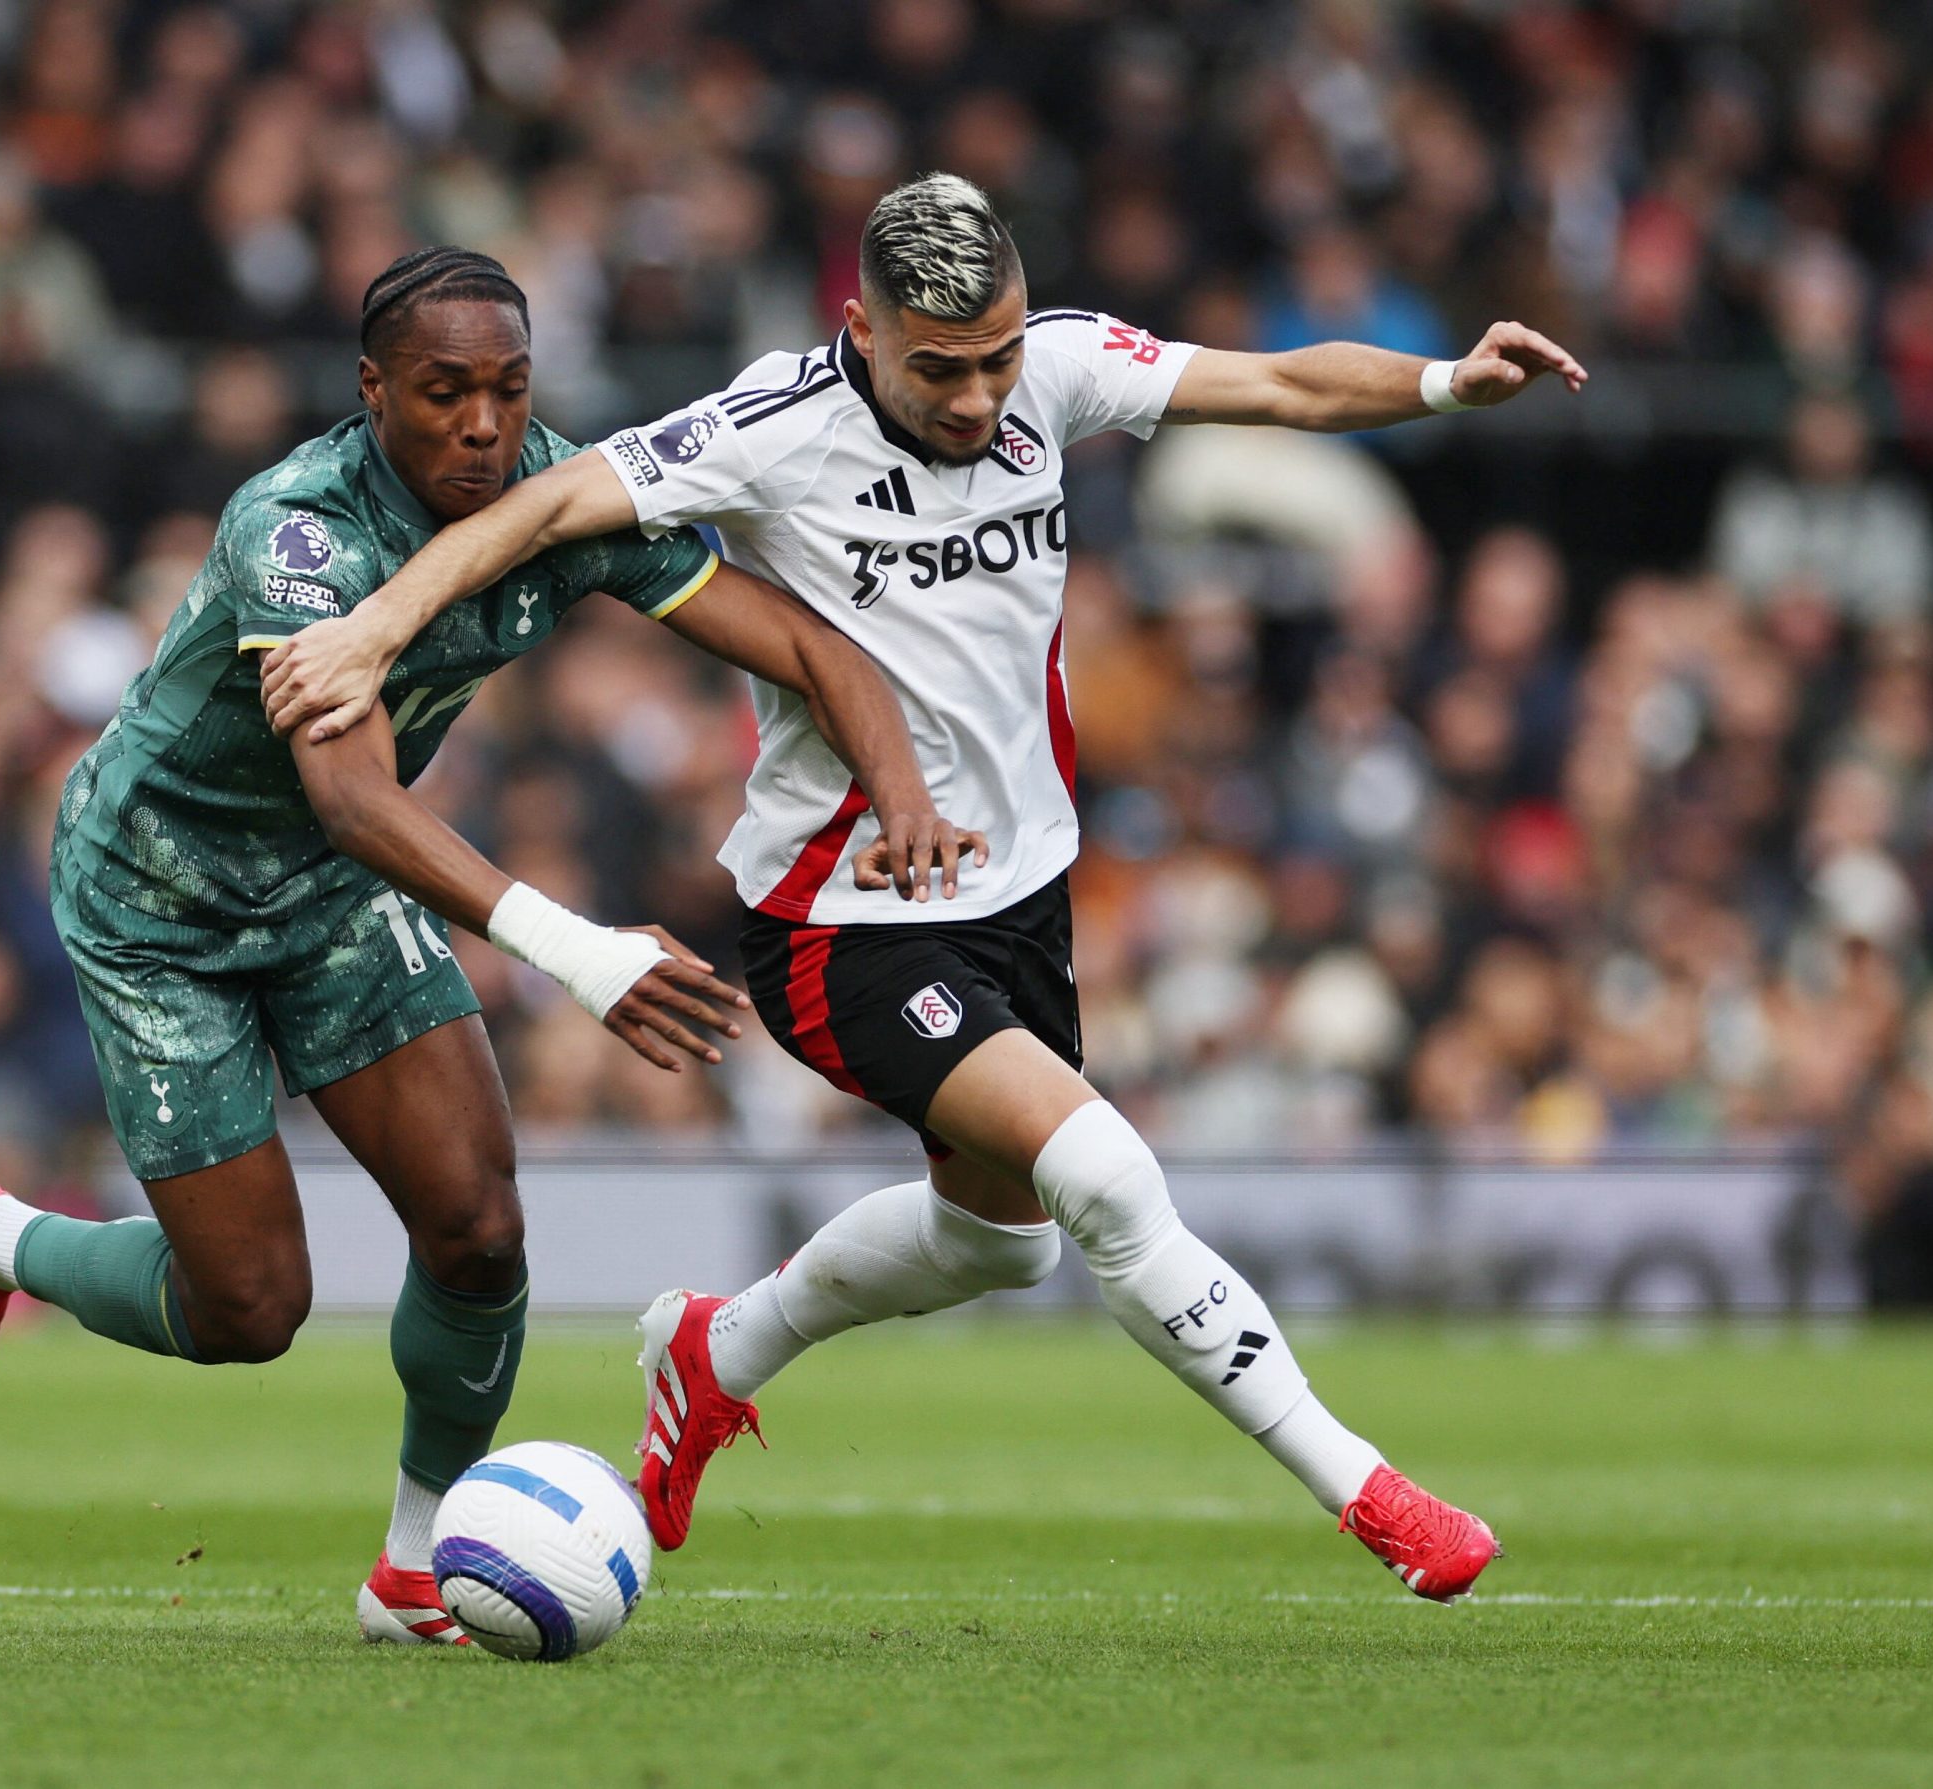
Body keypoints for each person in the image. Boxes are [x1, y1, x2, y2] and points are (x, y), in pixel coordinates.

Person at [259, 181, 1588, 1604]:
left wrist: (1447, 379)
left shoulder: (1057, 368)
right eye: (937, 366)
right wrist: (374, 625)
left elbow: (1276, 384)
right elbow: (544, 505)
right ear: (861, 330)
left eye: (997, 359)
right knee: (1108, 1178)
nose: (975, 398)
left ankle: (716, 1353)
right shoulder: (772, 428)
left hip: (1020, 894)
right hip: (847, 916)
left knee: (994, 1242)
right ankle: (1372, 1493)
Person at [0, 247, 976, 1646]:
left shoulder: (557, 495)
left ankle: (413, 1571)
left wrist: (907, 794)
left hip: (334, 895)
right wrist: (578, 953)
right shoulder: (297, 531)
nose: (482, 425)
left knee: (475, 1225)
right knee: (250, 1305)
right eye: (445, 392)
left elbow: (807, 645)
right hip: (165, 898)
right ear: (372, 390)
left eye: (509, 390)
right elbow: (349, 795)